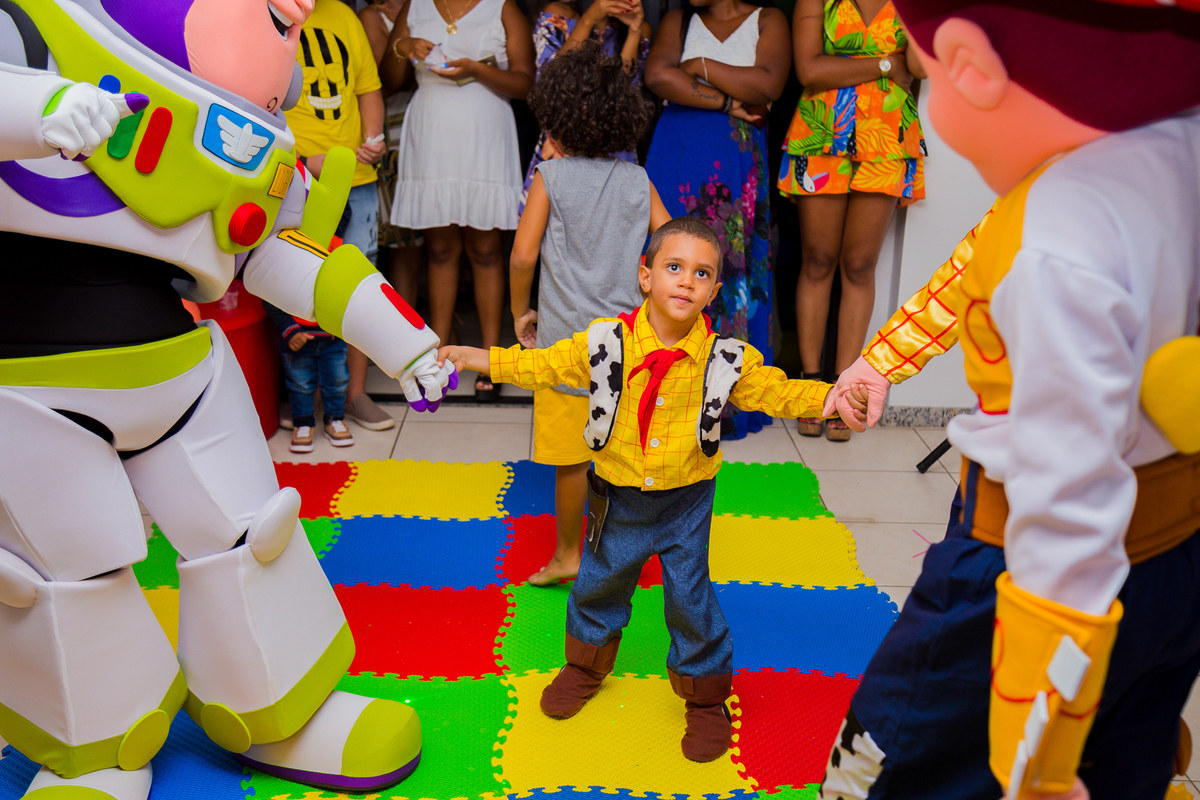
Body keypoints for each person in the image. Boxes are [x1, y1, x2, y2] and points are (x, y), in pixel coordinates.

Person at [0, 0, 457, 798]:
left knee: (254, 536)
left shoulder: (247, 138)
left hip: (184, 377)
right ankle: (98, 750)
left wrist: (405, 339)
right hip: (34, 397)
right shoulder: (30, 33)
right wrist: (37, 108)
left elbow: (280, 252)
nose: (300, 8)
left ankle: (280, 708)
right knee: (65, 576)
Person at [812, 2, 1200, 798]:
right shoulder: (1170, 149)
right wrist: (882, 360)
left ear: (973, 67)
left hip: (1028, 567)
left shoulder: (1062, 226)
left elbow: (1067, 504)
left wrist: (1039, 753)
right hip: (1178, 562)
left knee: (883, 768)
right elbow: (977, 266)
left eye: (922, 75)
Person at [439, 217, 866, 762]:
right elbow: (542, 365)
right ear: (645, 276)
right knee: (598, 584)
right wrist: (477, 357)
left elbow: (775, 391)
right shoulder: (604, 343)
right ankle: (584, 666)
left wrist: (830, 399)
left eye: (702, 273)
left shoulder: (725, 360)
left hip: (686, 502)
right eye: (674, 267)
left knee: (691, 599)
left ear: (714, 290)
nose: (687, 281)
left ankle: (705, 698)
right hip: (616, 497)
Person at [513, 43, 671, 587]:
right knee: (622, 454)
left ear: (556, 120)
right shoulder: (637, 179)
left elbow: (523, 256)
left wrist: (520, 311)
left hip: (566, 347)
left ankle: (567, 555)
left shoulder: (549, 178)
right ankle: (624, 553)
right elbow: (670, 243)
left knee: (572, 460)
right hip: (628, 344)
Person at [644, 0, 792, 441]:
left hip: (736, 163)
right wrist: (728, 99)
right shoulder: (679, 19)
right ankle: (661, 395)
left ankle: (721, 403)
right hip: (677, 155)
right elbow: (659, 76)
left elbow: (767, 85)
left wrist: (698, 67)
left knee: (727, 274)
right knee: (669, 265)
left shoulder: (768, 19)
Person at [780, 0, 926, 441]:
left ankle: (847, 391)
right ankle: (811, 389)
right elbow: (810, 70)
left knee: (860, 266)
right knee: (818, 260)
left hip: (887, 138)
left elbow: (920, 67)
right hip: (821, 132)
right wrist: (885, 64)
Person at [384, 0, 535, 401]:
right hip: (432, 130)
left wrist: (476, 70)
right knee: (439, 249)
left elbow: (526, 84)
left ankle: (490, 360)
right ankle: (439, 358)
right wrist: (402, 48)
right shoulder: (416, 6)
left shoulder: (503, 8)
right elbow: (390, 80)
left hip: (485, 131)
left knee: (486, 250)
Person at [284, 0, 396, 432]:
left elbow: (368, 88)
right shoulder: (265, 15)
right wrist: (300, 162)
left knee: (360, 284)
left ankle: (354, 395)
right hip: (293, 177)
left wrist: (374, 136)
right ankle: (305, 401)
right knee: (294, 280)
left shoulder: (343, 15)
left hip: (355, 177)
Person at [518, 0, 652, 215]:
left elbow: (623, 94)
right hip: (562, 146)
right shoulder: (558, 15)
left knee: (610, 225)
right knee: (551, 226)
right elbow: (549, 81)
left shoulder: (639, 27)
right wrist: (590, 18)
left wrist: (635, 31)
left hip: (613, 148)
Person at [359, 0, 425, 309]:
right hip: (393, 131)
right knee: (402, 236)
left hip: (425, 127)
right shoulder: (372, 17)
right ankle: (401, 317)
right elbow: (383, 83)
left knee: (424, 234)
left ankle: (424, 317)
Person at [265, 302, 354, 452]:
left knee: (337, 381)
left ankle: (335, 418)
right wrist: (289, 329)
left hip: (333, 338)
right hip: (296, 335)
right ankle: (303, 423)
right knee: (300, 385)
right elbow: (270, 297)